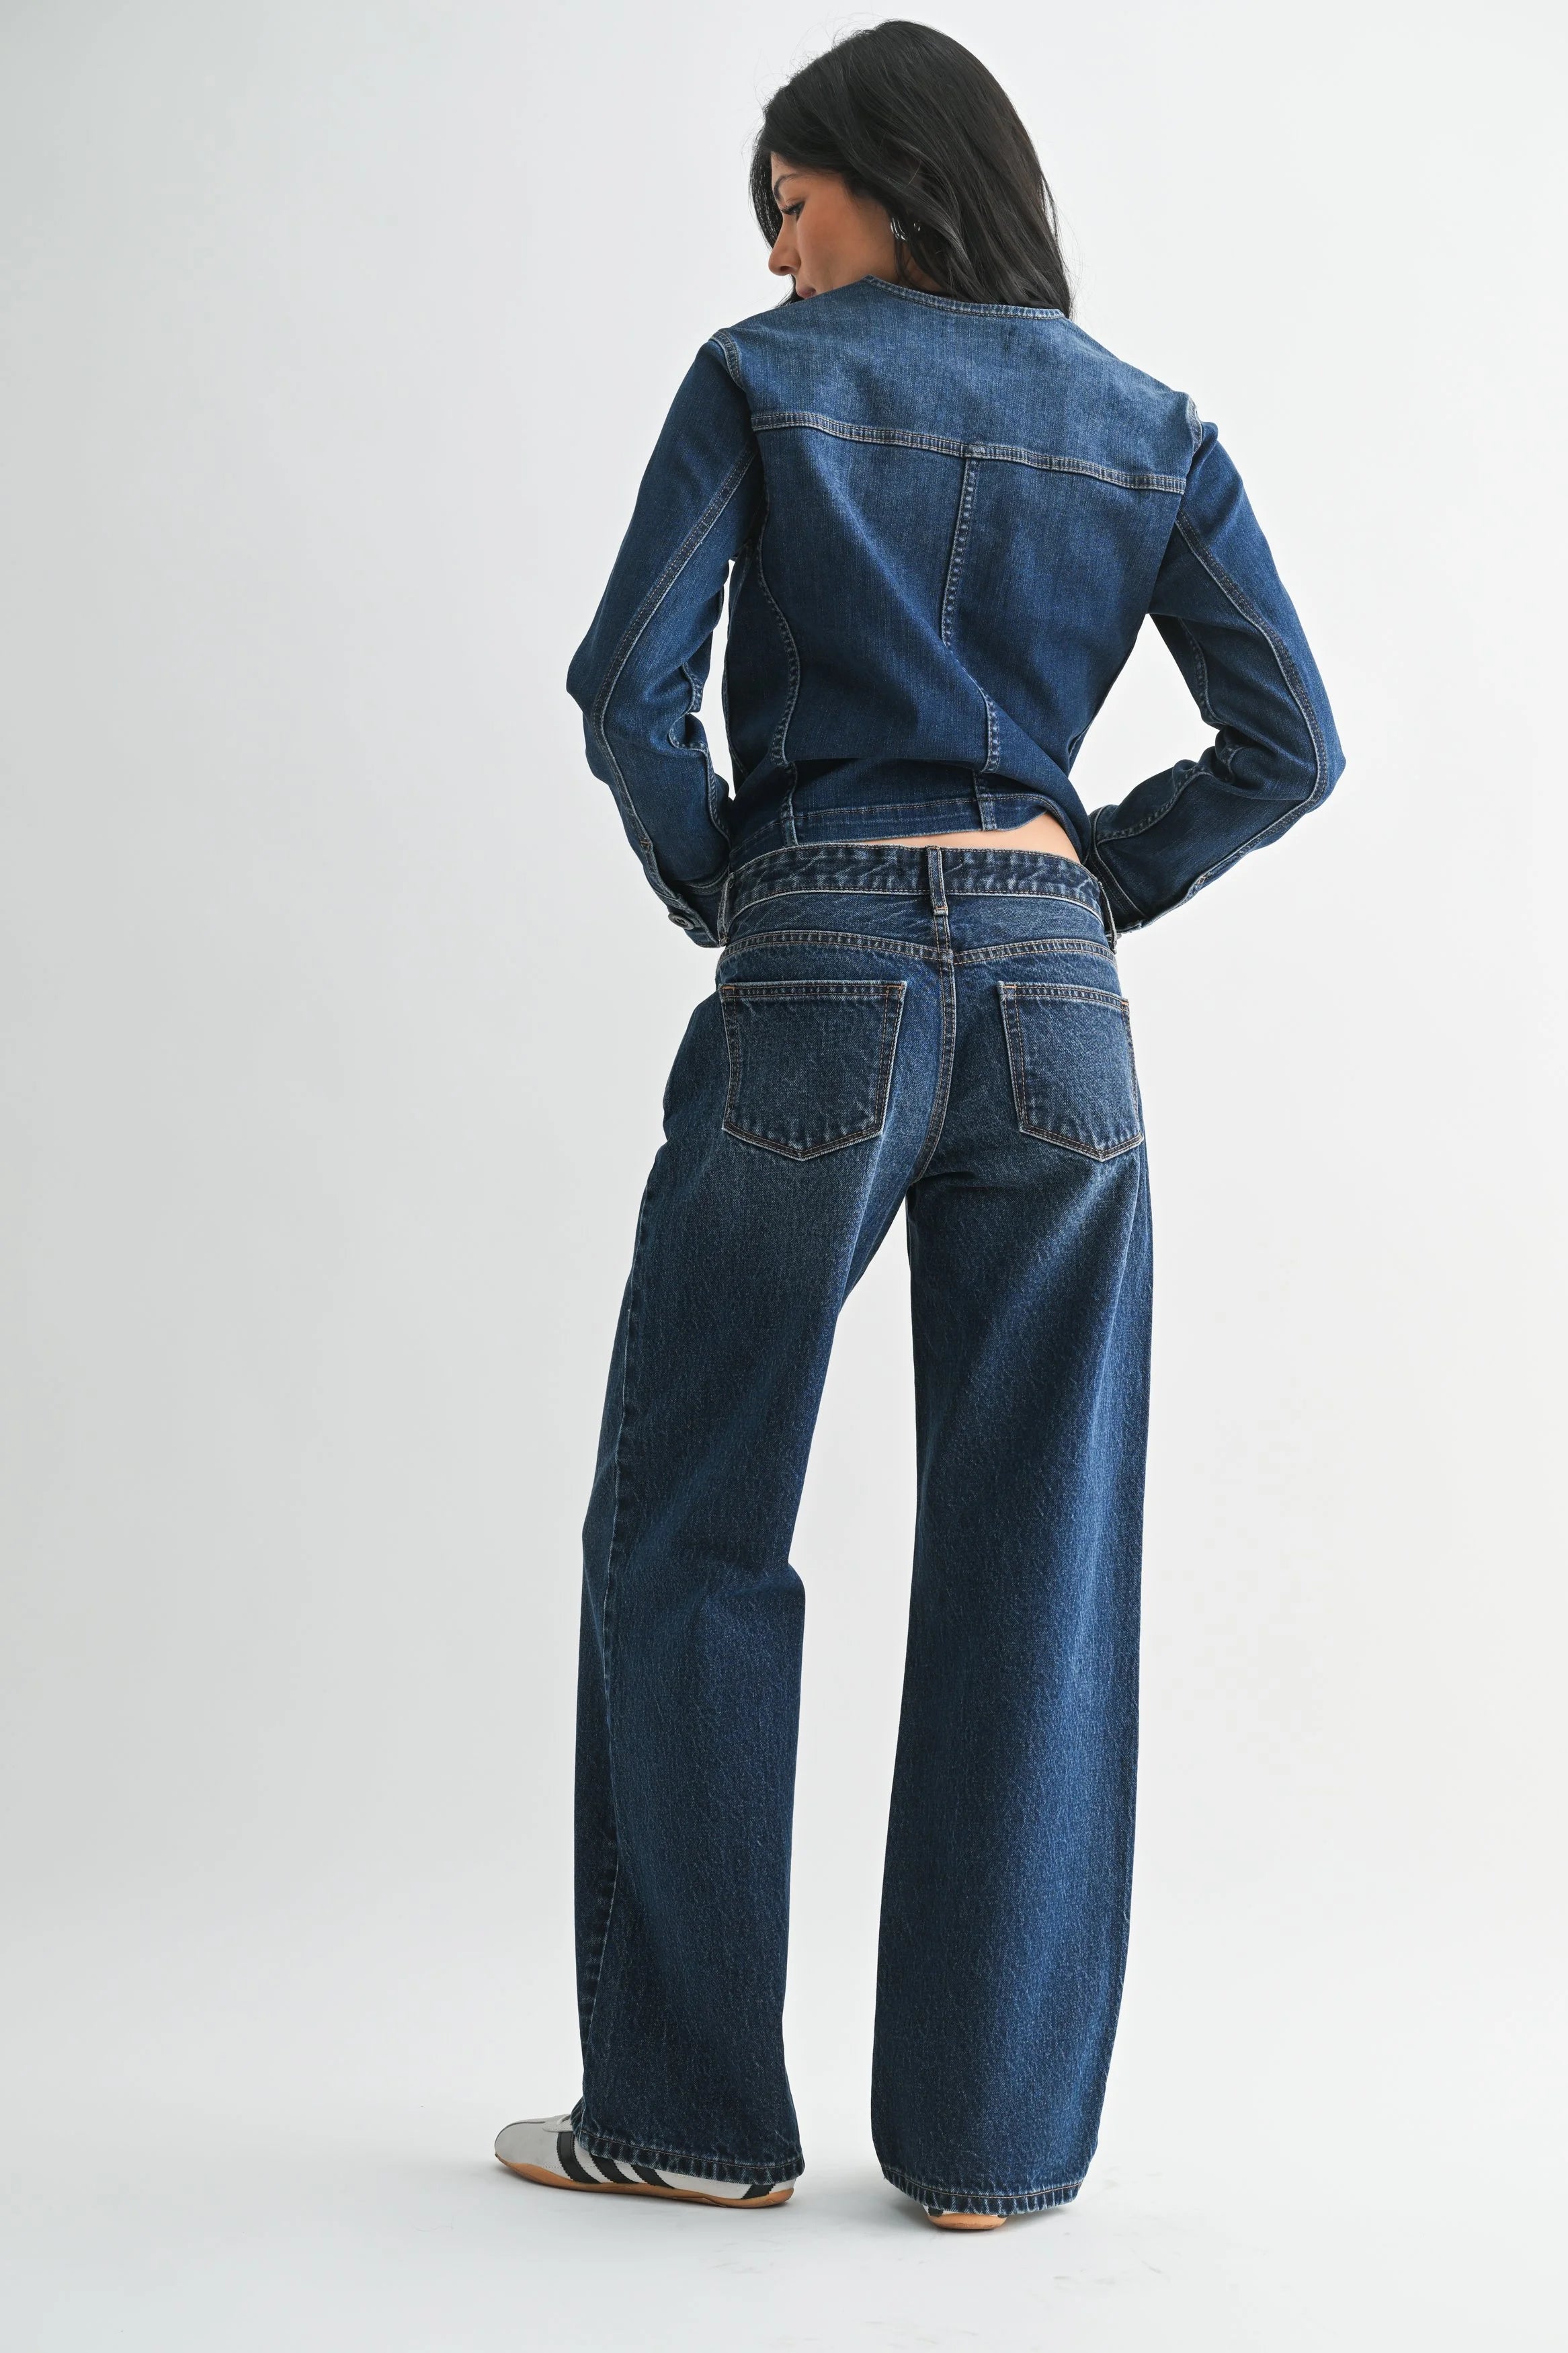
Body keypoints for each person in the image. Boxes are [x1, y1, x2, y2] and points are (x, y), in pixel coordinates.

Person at [495, 20, 1342, 2230]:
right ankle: (987, 2151)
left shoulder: (759, 389)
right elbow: (1291, 741)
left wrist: (730, 877)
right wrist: (1095, 882)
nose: (781, 256)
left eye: (797, 200)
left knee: (691, 1513)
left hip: (819, 966)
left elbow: (624, 686)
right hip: (1060, 1004)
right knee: (1037, 1561)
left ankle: (686, 2112)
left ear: (895, 172)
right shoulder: (1149, 427)